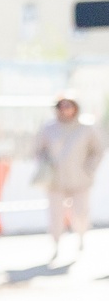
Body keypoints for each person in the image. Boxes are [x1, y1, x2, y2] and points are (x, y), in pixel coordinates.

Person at [36, 95, 103, 263]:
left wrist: (89, 169)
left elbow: (97, 150)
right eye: (61, 106)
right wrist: (45, 165)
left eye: (68, 106)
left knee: (81, 213)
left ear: (75, 108)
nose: (64, 110)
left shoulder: (86, 127)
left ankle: (81, 237)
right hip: (55, 180)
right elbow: (39, 150)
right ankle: (56, 245)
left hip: (80, 180)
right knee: (55, 215)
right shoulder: (49, 128)